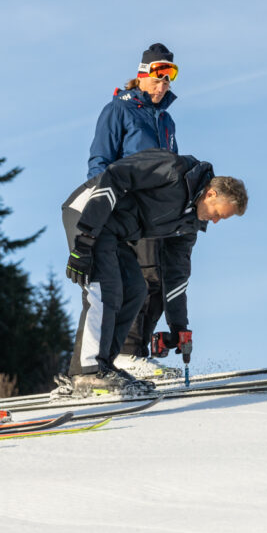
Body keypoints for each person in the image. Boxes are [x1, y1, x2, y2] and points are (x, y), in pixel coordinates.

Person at [62, 148, 247, 395]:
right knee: (105, 289)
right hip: (90, 214)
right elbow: (115, 175)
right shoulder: (174, 169)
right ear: (211, 194)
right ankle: (87, 372)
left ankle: (105, 365)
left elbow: (176, 273)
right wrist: (85, 238)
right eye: (217, 214)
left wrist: (179, 326)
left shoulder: (189, 224)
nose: (214, 221)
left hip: (116, 234)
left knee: (135, 291)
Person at [87, 43, 182, 379]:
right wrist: (99, 208)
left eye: (170, 77)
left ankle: (133, 352)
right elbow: (100, 160)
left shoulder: (166, 119)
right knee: (141, 279)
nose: (164, 84)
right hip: (124, 207)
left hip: (155, 213)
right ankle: (126, 353)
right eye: (159, 77)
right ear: (143, 75)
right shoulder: (119, 110)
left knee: (155, 281)